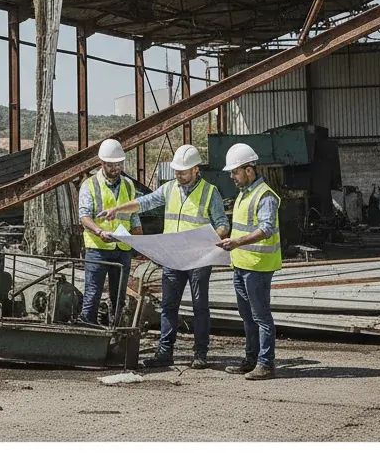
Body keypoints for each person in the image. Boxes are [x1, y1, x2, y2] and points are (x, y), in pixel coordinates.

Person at [98, 143, 229, 369]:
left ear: (196, 169)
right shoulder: (170, 189)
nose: (178, 175)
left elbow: (223, 225)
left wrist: (210, 241)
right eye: (176, 171)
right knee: (168, 307)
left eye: (183, 172)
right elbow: (144, 203)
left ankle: (200, 354)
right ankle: (165, 353)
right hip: (173, 258)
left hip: (198, 260)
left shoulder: (210, 192)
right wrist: (117, 210)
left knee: (200, 306)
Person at [216, 142, 282, 380]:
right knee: (248, 317)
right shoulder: (244, 194)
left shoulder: (265, 196)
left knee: (261, 317)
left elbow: (266, 229)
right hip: (242, 265)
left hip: (258, 267)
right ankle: (251, 359)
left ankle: (266, 363)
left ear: (249, 169)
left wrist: (237, 242)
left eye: (235, 171)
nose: (232, 176)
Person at [76, 138, 142, 326]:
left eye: (119, 164)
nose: (116, 168)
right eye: (112, 165)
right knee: (93, 293)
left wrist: (138, 236)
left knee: (119, 295)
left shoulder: (128, 185)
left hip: (122, 248)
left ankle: (115, 330)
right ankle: (88, 328)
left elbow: (133, 214)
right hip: (98, 248)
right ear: (102, 163)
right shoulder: (90, 185)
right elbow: (84, 217)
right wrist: (98, 231)